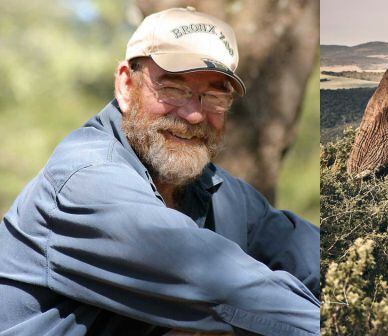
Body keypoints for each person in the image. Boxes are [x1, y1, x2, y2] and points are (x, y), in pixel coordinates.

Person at [0, 7, 320, 336]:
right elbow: (227, 287)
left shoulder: (213, 190)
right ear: (126, 84)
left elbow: (307, 253)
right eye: (173, 88)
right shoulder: (87, 181)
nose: (194, 114)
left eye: (213, 96)